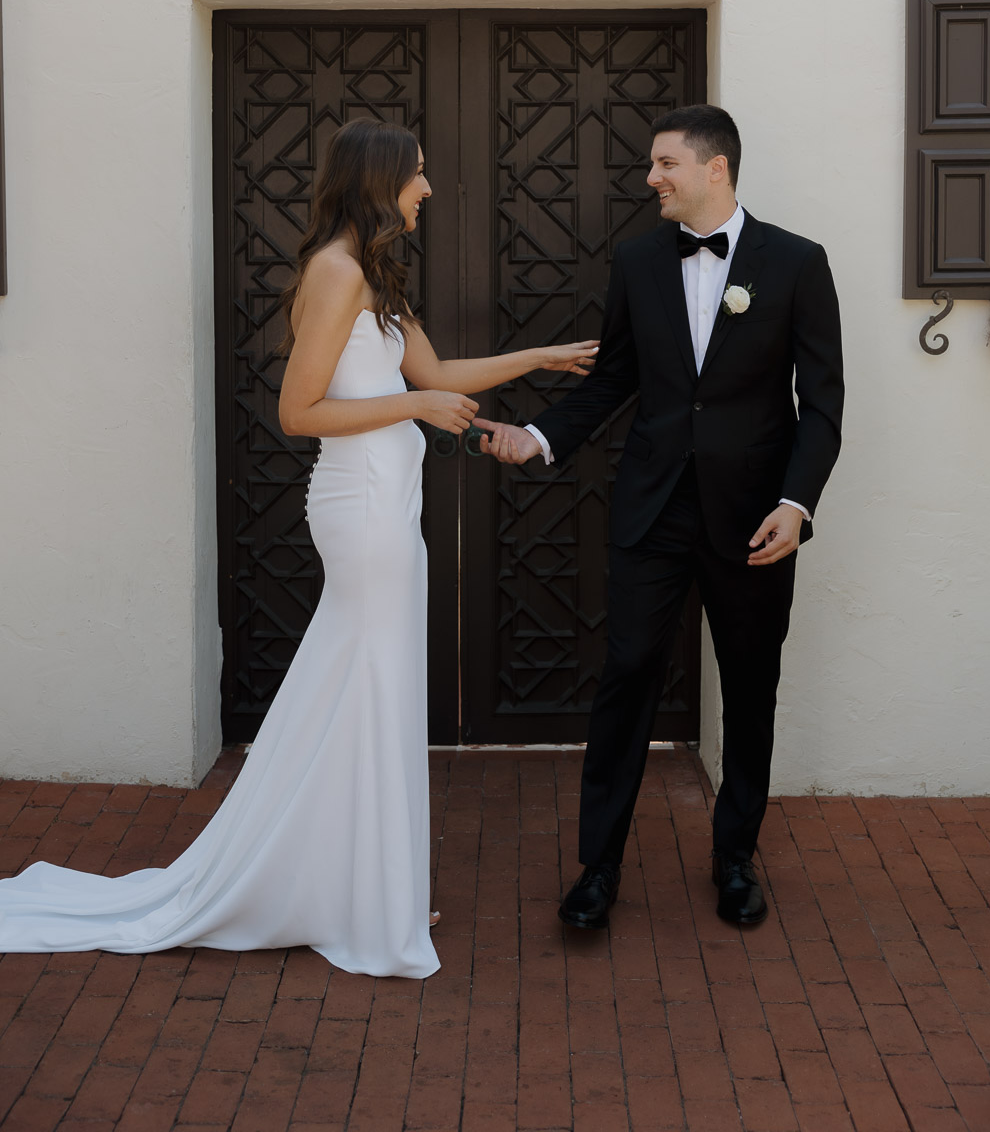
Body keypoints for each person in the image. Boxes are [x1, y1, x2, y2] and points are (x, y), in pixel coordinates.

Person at [0, 118, 596, 978]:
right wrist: (413, 409)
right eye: (417, 173)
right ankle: (359, 890)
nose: (427, 188)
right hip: (360, 508)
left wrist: (539, 357)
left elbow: (436, 376)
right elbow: (299, 411)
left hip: (389, 507)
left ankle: (368, 883)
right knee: (369, 685)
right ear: (379, 180)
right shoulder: (335, 270)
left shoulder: (375, 275)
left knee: (371, 691)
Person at [480, 104, 844, 931]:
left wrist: (795, 505)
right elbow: (615, 378)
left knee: (748, 687)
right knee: (628, 674)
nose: (651, 178)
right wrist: (539, 436)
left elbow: (821, 404)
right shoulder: (639, 260)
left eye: (664, 164)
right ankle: (598, 867)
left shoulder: (796, 262)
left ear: (715, 168)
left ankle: (734, 858)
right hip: (652, 509)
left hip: (754, 519)